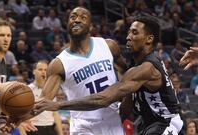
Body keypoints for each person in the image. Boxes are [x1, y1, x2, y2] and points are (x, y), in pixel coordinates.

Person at [34, 16, 184, 135]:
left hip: (166, 122)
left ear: (149, 39)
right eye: (129, 32)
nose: (128, 37)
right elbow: (128, 100)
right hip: (149, 123)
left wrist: (58, 105)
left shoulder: (146, 68)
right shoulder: (137, 65)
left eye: (134, 33)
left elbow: (104, 98)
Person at [13, 7, 127, 135]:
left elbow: (125, 72)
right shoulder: (59, 64)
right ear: (67, 24)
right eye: (73, 17)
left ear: (90, 26)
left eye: (83, 17)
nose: (77, 20)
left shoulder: (109, 46)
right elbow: (44, 101)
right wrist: (15, 118)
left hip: (112, 121)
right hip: (83, 126)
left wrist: (126, 98)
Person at [20, 60, 63, 135]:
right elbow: (20, 115)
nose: (43, 72)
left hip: (51, 128)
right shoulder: (26, 90)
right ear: (34, 71)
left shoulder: (52, 90)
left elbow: (55, 114)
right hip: (34, 128)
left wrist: (61, 133)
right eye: (40, 69)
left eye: (45, 70)